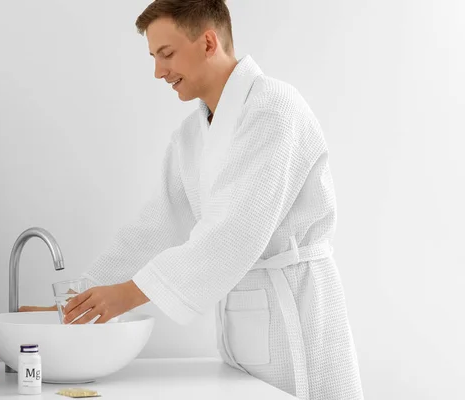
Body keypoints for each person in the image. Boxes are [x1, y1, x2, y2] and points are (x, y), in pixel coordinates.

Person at [19, 1, 364, 399]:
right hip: (244, 330)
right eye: (153, 57)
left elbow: (234, 232)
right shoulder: (190, 136)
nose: (158, 71)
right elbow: (154, 229)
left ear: (208, 42)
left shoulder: (274, 109)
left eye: (166, 54)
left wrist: (128, 294)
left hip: (298, 321)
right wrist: (78, 302)